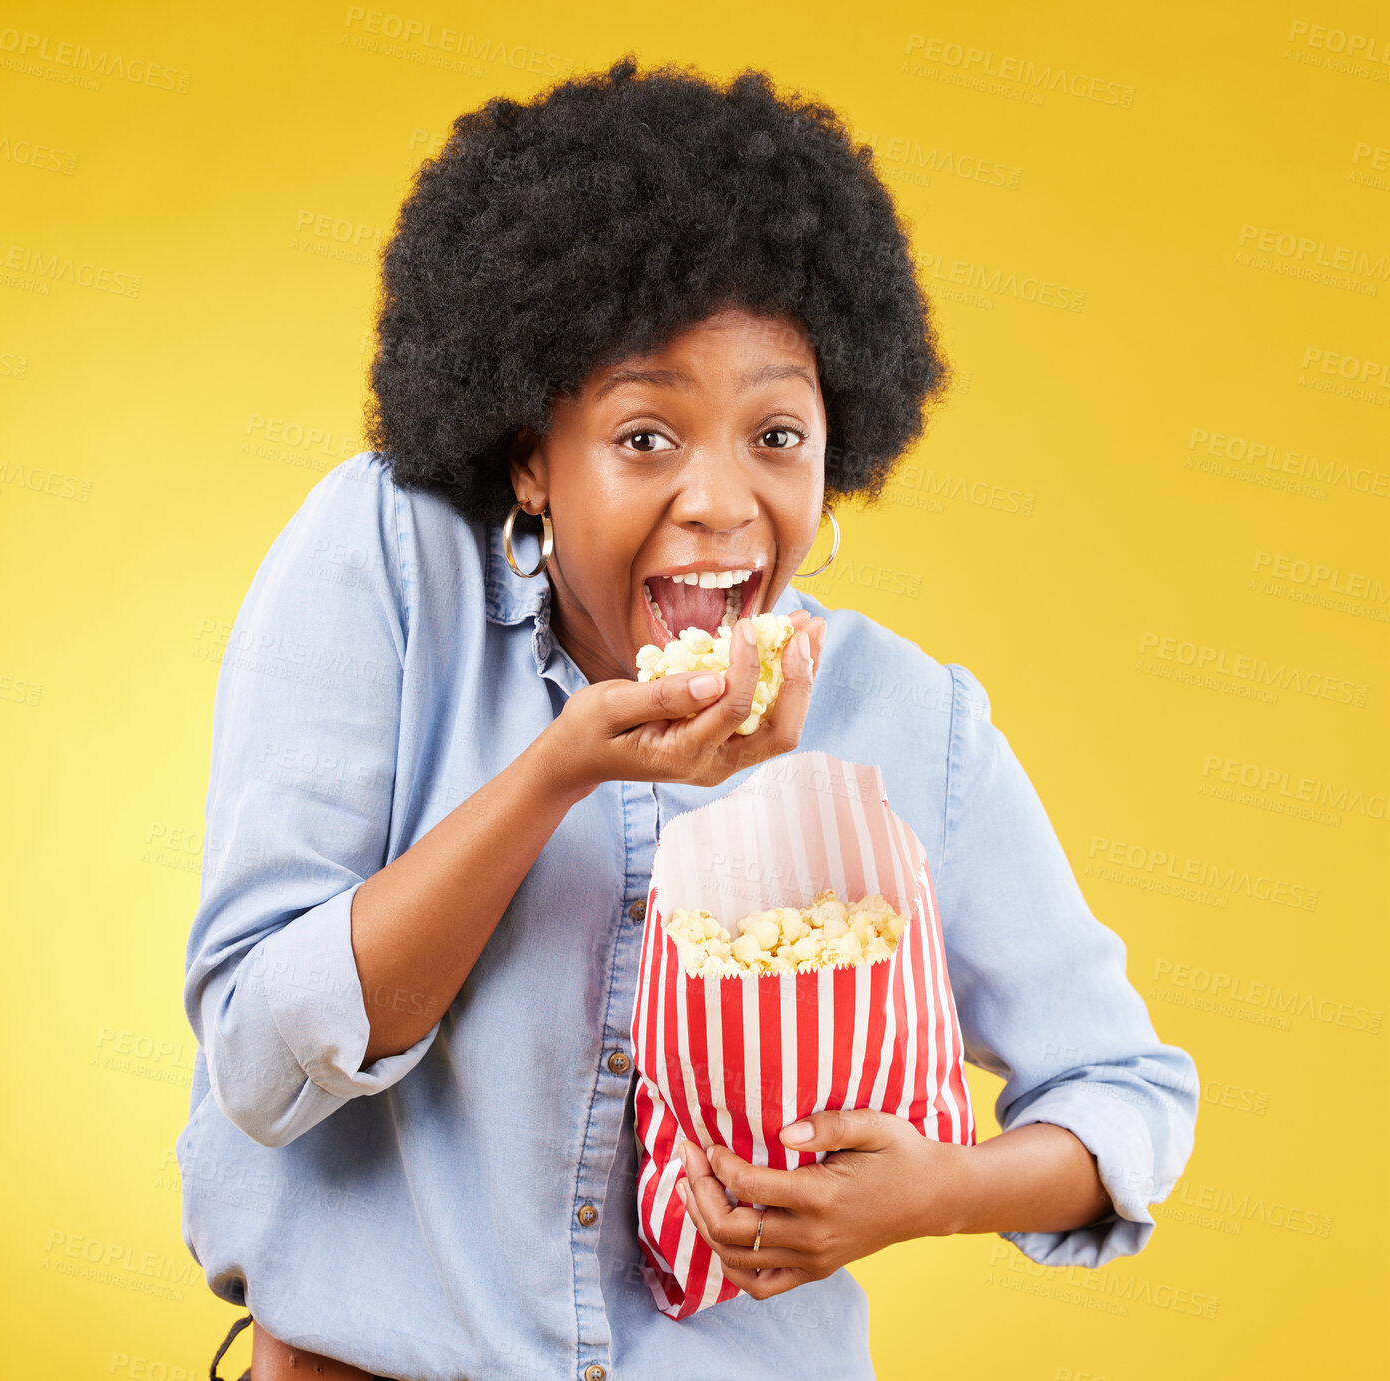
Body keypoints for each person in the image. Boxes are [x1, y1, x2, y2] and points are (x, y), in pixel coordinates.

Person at [180, 54, 1198, 1381]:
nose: (722, 502)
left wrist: (930, 1190)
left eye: (775, 434)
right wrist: (555, 773)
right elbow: (260, 1054)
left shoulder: (909, 722)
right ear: (530, 455)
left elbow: (1128, 1094)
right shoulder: (388, 564)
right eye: (647, 435)